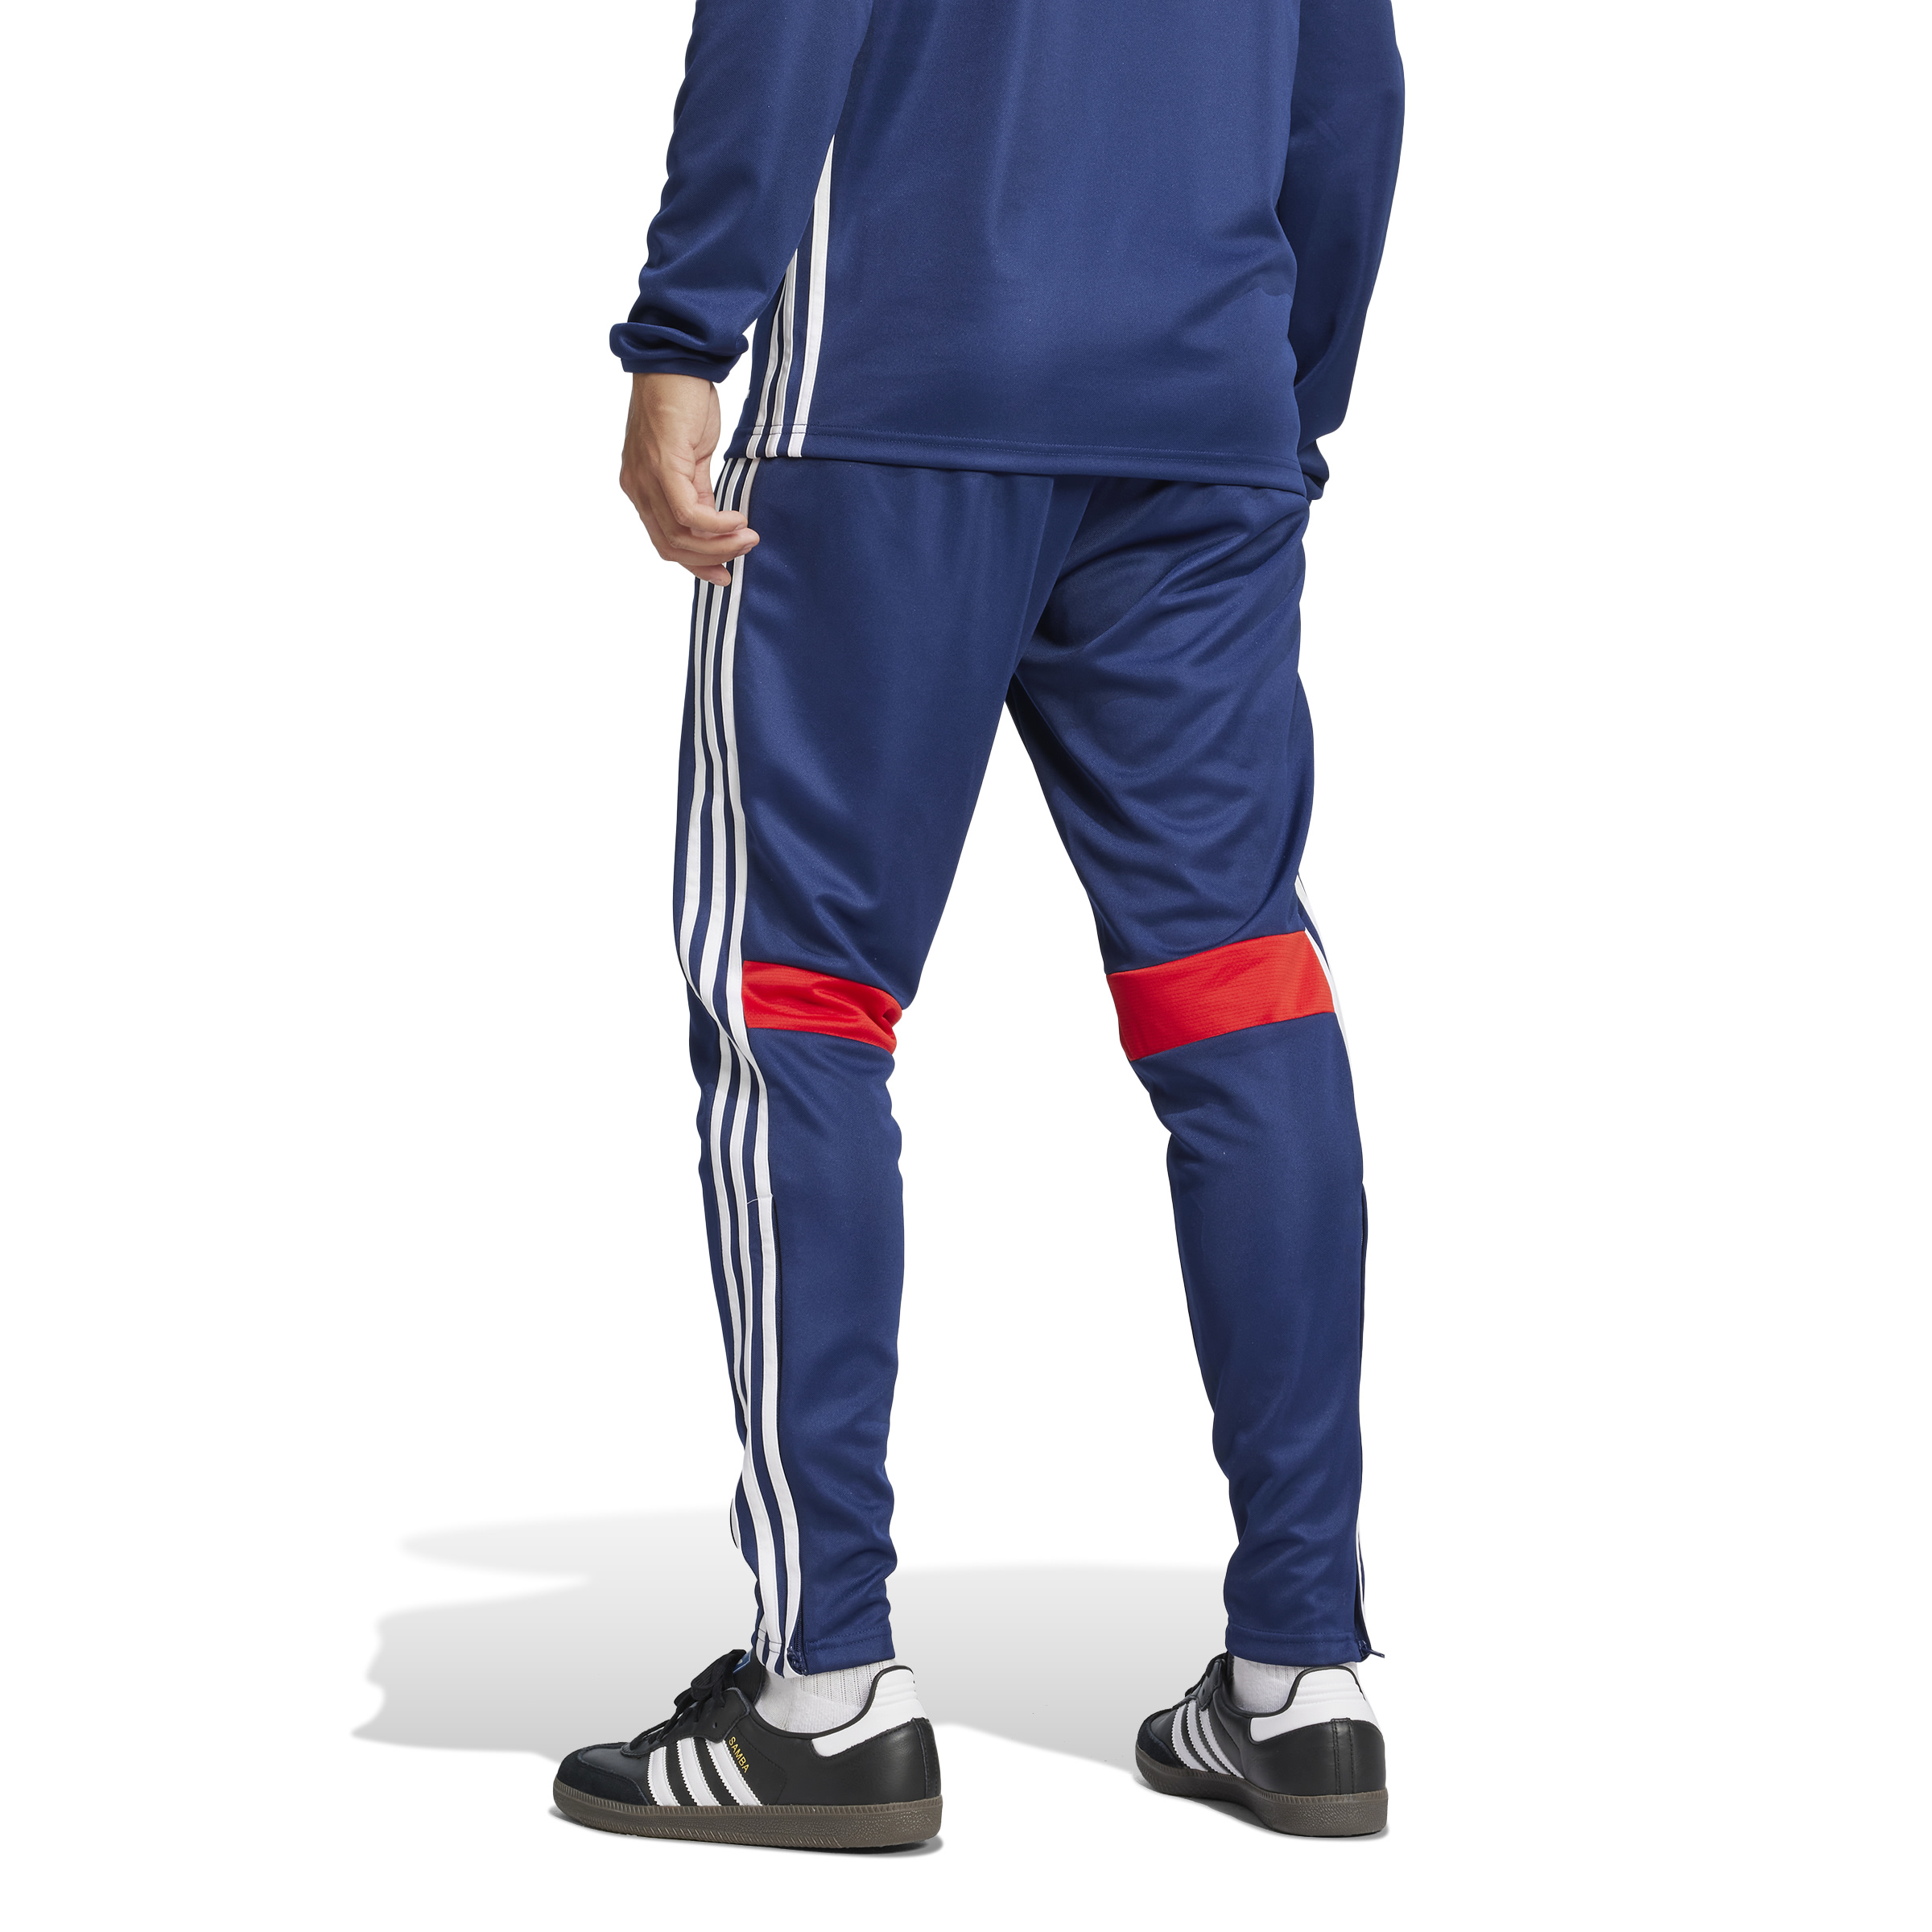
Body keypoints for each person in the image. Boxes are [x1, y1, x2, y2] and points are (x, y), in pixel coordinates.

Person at [555, 0, 1403, 1848]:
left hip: (894, 397)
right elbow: (1347, 94)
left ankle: (829, 1696)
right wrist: (1279, 403)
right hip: (1202, 418)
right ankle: (1303, 1678)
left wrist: (684, 335)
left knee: (796, 1000)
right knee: (1239, 990)